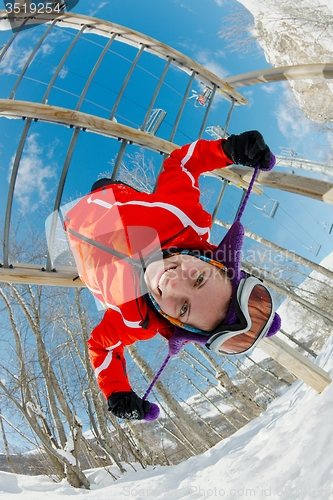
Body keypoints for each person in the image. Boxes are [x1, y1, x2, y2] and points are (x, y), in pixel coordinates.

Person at [64, 130, 280, 421]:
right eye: (199, 279)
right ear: (212, 262)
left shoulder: (136, 319)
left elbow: (101, 345)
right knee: (102, 184)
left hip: (74, 231)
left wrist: (116, 391)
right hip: (108, 198)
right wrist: (229, 150)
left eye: (184, 307)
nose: (173, 283)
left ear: (176, 322)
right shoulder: (184, 217)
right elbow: (183, 165)